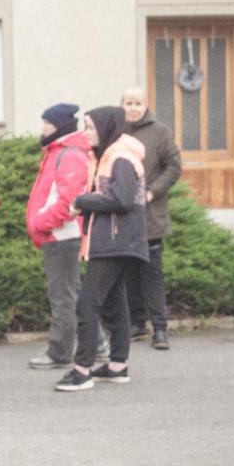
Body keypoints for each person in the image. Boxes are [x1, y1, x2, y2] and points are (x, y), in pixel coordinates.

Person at [55, 106, 148, 392]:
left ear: (106, 127)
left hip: (115, 241)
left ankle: (82, 370)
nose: (85, 133)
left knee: (87, 303)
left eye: (90, 127)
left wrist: (82, 201)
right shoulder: (108, 155)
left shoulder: (120, 158)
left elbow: (121, 199)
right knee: (113, 303)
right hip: (113, 240)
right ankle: (117, 366)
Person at [25, 102, 100, 369]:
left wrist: (39, 222)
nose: (44, 128)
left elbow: (68, 202)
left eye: (48, 123)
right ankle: (99, 345)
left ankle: (59, 353)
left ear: (61, 126)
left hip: (61, 236)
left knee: (63, 297)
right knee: (73, 293)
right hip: (59, 234)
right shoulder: (59, 151)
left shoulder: (69, 154)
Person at [120, 87, 182, 350]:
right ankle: (136, 323)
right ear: (121, 105)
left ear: (145, 105)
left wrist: (152, 191)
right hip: (123, 215)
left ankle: (159, 328)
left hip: (150, 216)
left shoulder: (160, 132)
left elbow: (174, 167)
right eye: (128, 103)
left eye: (137, 103)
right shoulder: (116, 132)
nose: (133, 108)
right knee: (129, 273)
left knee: (152, 274)